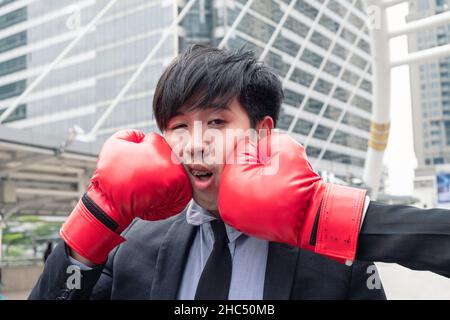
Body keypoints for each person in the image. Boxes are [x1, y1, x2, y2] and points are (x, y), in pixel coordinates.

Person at [29, 45, 394, 300]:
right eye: (179, 126)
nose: (195, 143)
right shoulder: (132, 244)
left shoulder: (333, 251)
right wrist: (92, 223)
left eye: (217, 121)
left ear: (262, 132)